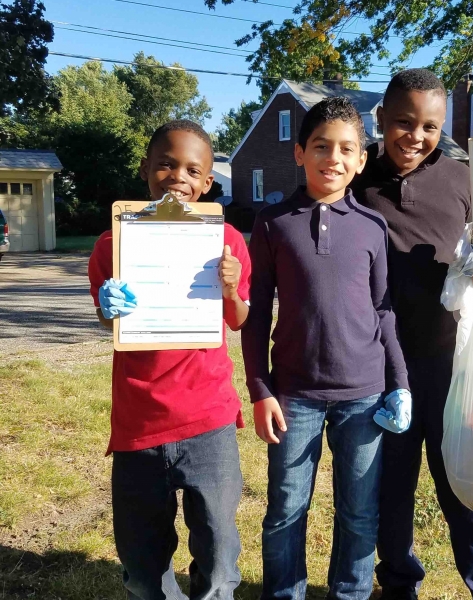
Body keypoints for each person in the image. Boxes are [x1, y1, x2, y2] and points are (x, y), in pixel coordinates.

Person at [351, 69, 473, 600]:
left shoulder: (458, 178)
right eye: (403, 122)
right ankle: (398, 583)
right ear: (380, 119)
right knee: (390, 490)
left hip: (454, 366)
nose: (416, 136)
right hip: (382, 368)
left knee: (468, 482)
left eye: (430, 126)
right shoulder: (355, 179)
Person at [241, 96, 411, 600]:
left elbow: (383, 310)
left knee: (360, 512)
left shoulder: (373, 227)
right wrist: (260, 388)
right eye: (320, 146)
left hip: (364, 396)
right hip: (294, 396)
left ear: (361, 159)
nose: (332, 158)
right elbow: (255, 314)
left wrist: (399, 384)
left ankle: (351, 593)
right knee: (286, 509)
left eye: (346, 149)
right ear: (300, 153)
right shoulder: (272, 223)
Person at [87, 119, 251, 600]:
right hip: (139, 423)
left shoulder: (228, 243)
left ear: (206, 182)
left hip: (209, 420)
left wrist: (230, 287)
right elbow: (107, 320)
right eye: (166, 163)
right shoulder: (112, 243)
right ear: (145, 169)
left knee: (220, 555)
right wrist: (105, 306)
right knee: (142, 563)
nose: (177, 175)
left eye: (192, 169)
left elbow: (239, 318)